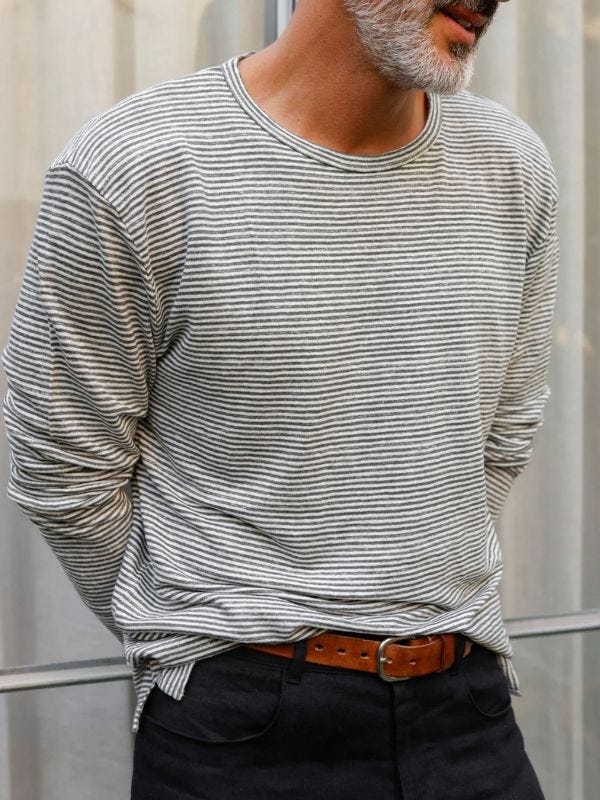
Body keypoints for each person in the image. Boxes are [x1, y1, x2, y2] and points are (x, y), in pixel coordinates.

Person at [1, 0, 558, 797]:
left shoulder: (513, 165)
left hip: (464, 708)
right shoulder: (139, 163)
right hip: (238, 731)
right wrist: (206, 634)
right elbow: (63, 465)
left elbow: (504, 430)